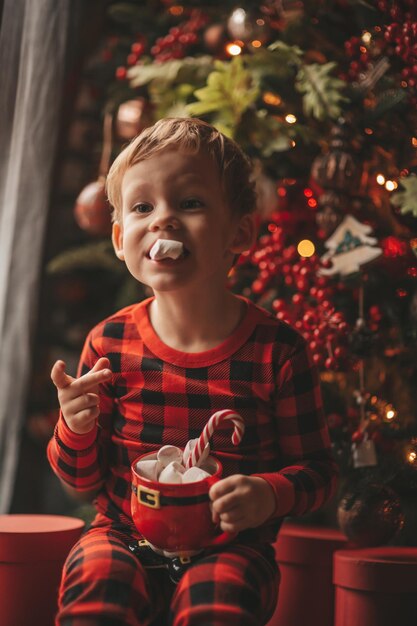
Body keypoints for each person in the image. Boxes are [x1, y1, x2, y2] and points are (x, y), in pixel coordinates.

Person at [48, 117, 339, 626]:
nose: (163, 221)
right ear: (120, 239)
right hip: (121, 534)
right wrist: (75, 426)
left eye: (190, 203)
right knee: (97, 586)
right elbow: (81, 479)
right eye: (143, 208)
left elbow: (318, 473)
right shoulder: (108, 344)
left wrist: (270, 493)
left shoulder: (278, 352)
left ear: (240, 231)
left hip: (231, 547)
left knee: (218, 604)